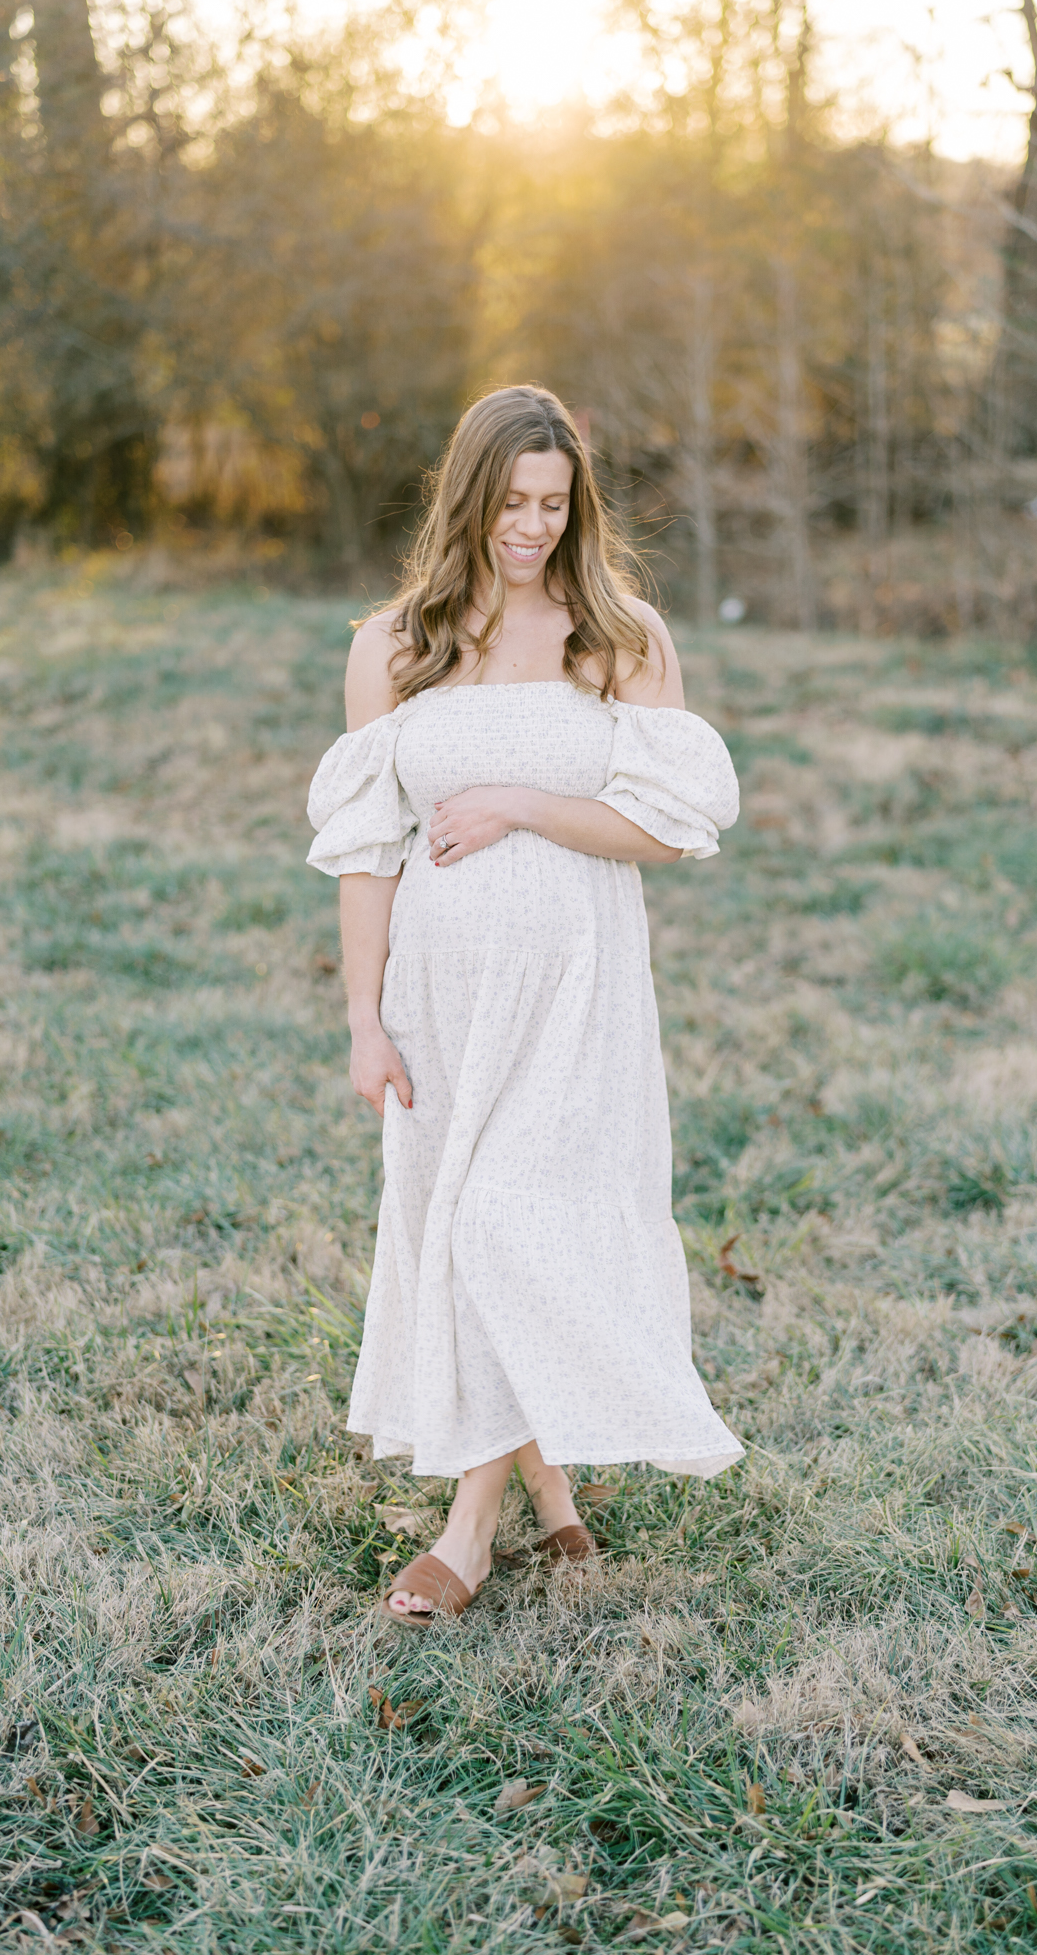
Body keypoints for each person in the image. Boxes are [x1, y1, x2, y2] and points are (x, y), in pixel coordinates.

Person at [306, 384, 743, 1628]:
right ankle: (551, 1484)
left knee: (512, 1216)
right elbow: (365, 849)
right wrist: (363, 1016)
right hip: (441, 995)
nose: (533, 527)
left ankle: (468, 1533)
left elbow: (667, 826)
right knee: (459, 1222)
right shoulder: (397, 643)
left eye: (555, 504)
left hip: (578, 991)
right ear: (469, 496)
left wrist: (520, 803)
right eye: (512, 503)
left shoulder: (618, 634)